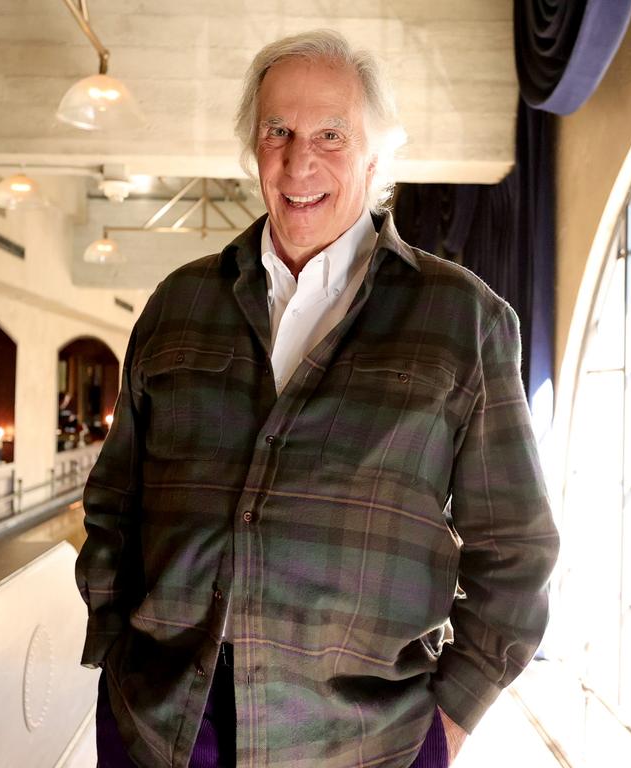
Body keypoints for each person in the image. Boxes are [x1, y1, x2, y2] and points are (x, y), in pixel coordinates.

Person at [76, 30, 559, 768]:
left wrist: (446, 726)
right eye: (278, 131)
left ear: (375, 154)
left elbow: (516, 552)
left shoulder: (464, 320)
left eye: (331, 134)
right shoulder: (177, 304)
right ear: (254, 147)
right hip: (162, 728)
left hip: (360, 743)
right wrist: (115, 659)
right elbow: (114, 502)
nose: (300, 160)